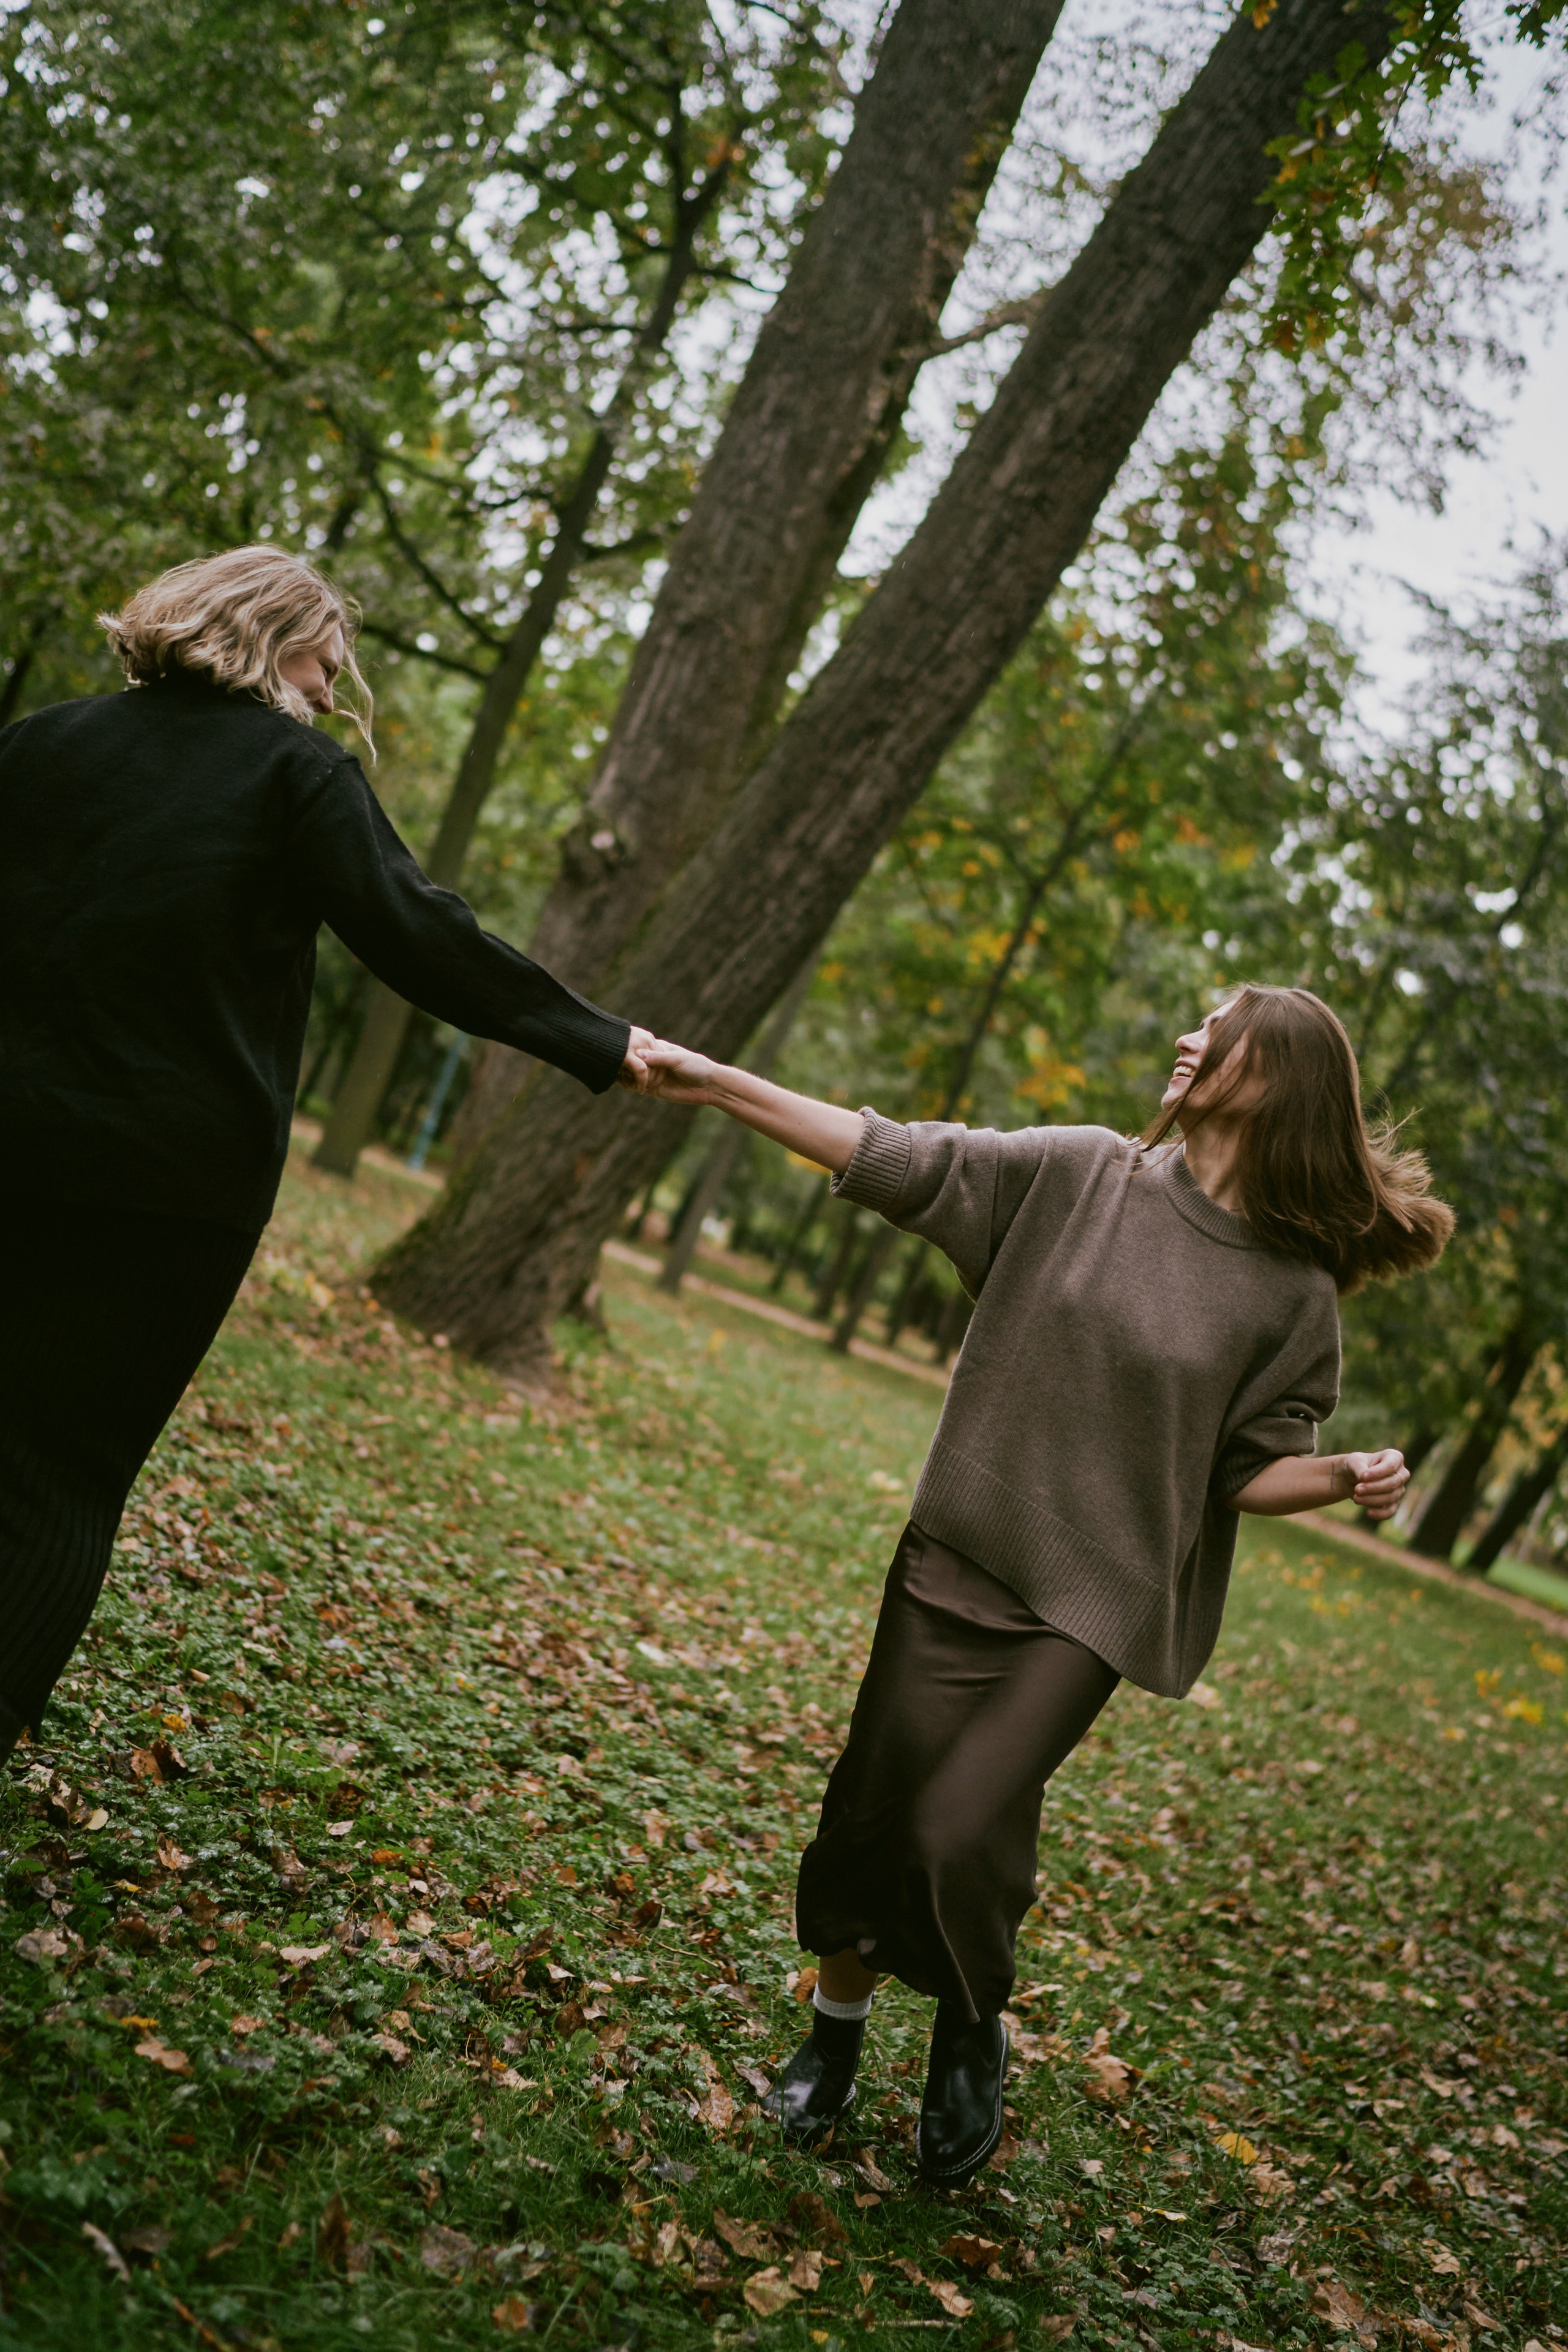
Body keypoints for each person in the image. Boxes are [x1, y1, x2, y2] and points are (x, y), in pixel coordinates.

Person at [639, 987, 1453, 2188]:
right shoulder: (1081, 1176)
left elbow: (1242, 1472)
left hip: (1090, 1602)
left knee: (953, 1822)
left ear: (1270, 1077)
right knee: (874, 1813)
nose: (1184, 1038)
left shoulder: (1291, 1296)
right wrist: (712, 1080)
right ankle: (832, 2040)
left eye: (1215, 1028)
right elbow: (894, 1155)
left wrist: (1339, 1472)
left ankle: (970, 2026)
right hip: (956, 1554)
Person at [0, 546, 654, 1761]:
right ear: (264, 637)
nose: (329, 679)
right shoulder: (296, 775)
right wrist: (598, 1040)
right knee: (61, 1470)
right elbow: (417, 932)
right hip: (163, 1190)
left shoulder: (42, 742)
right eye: (322, 655)